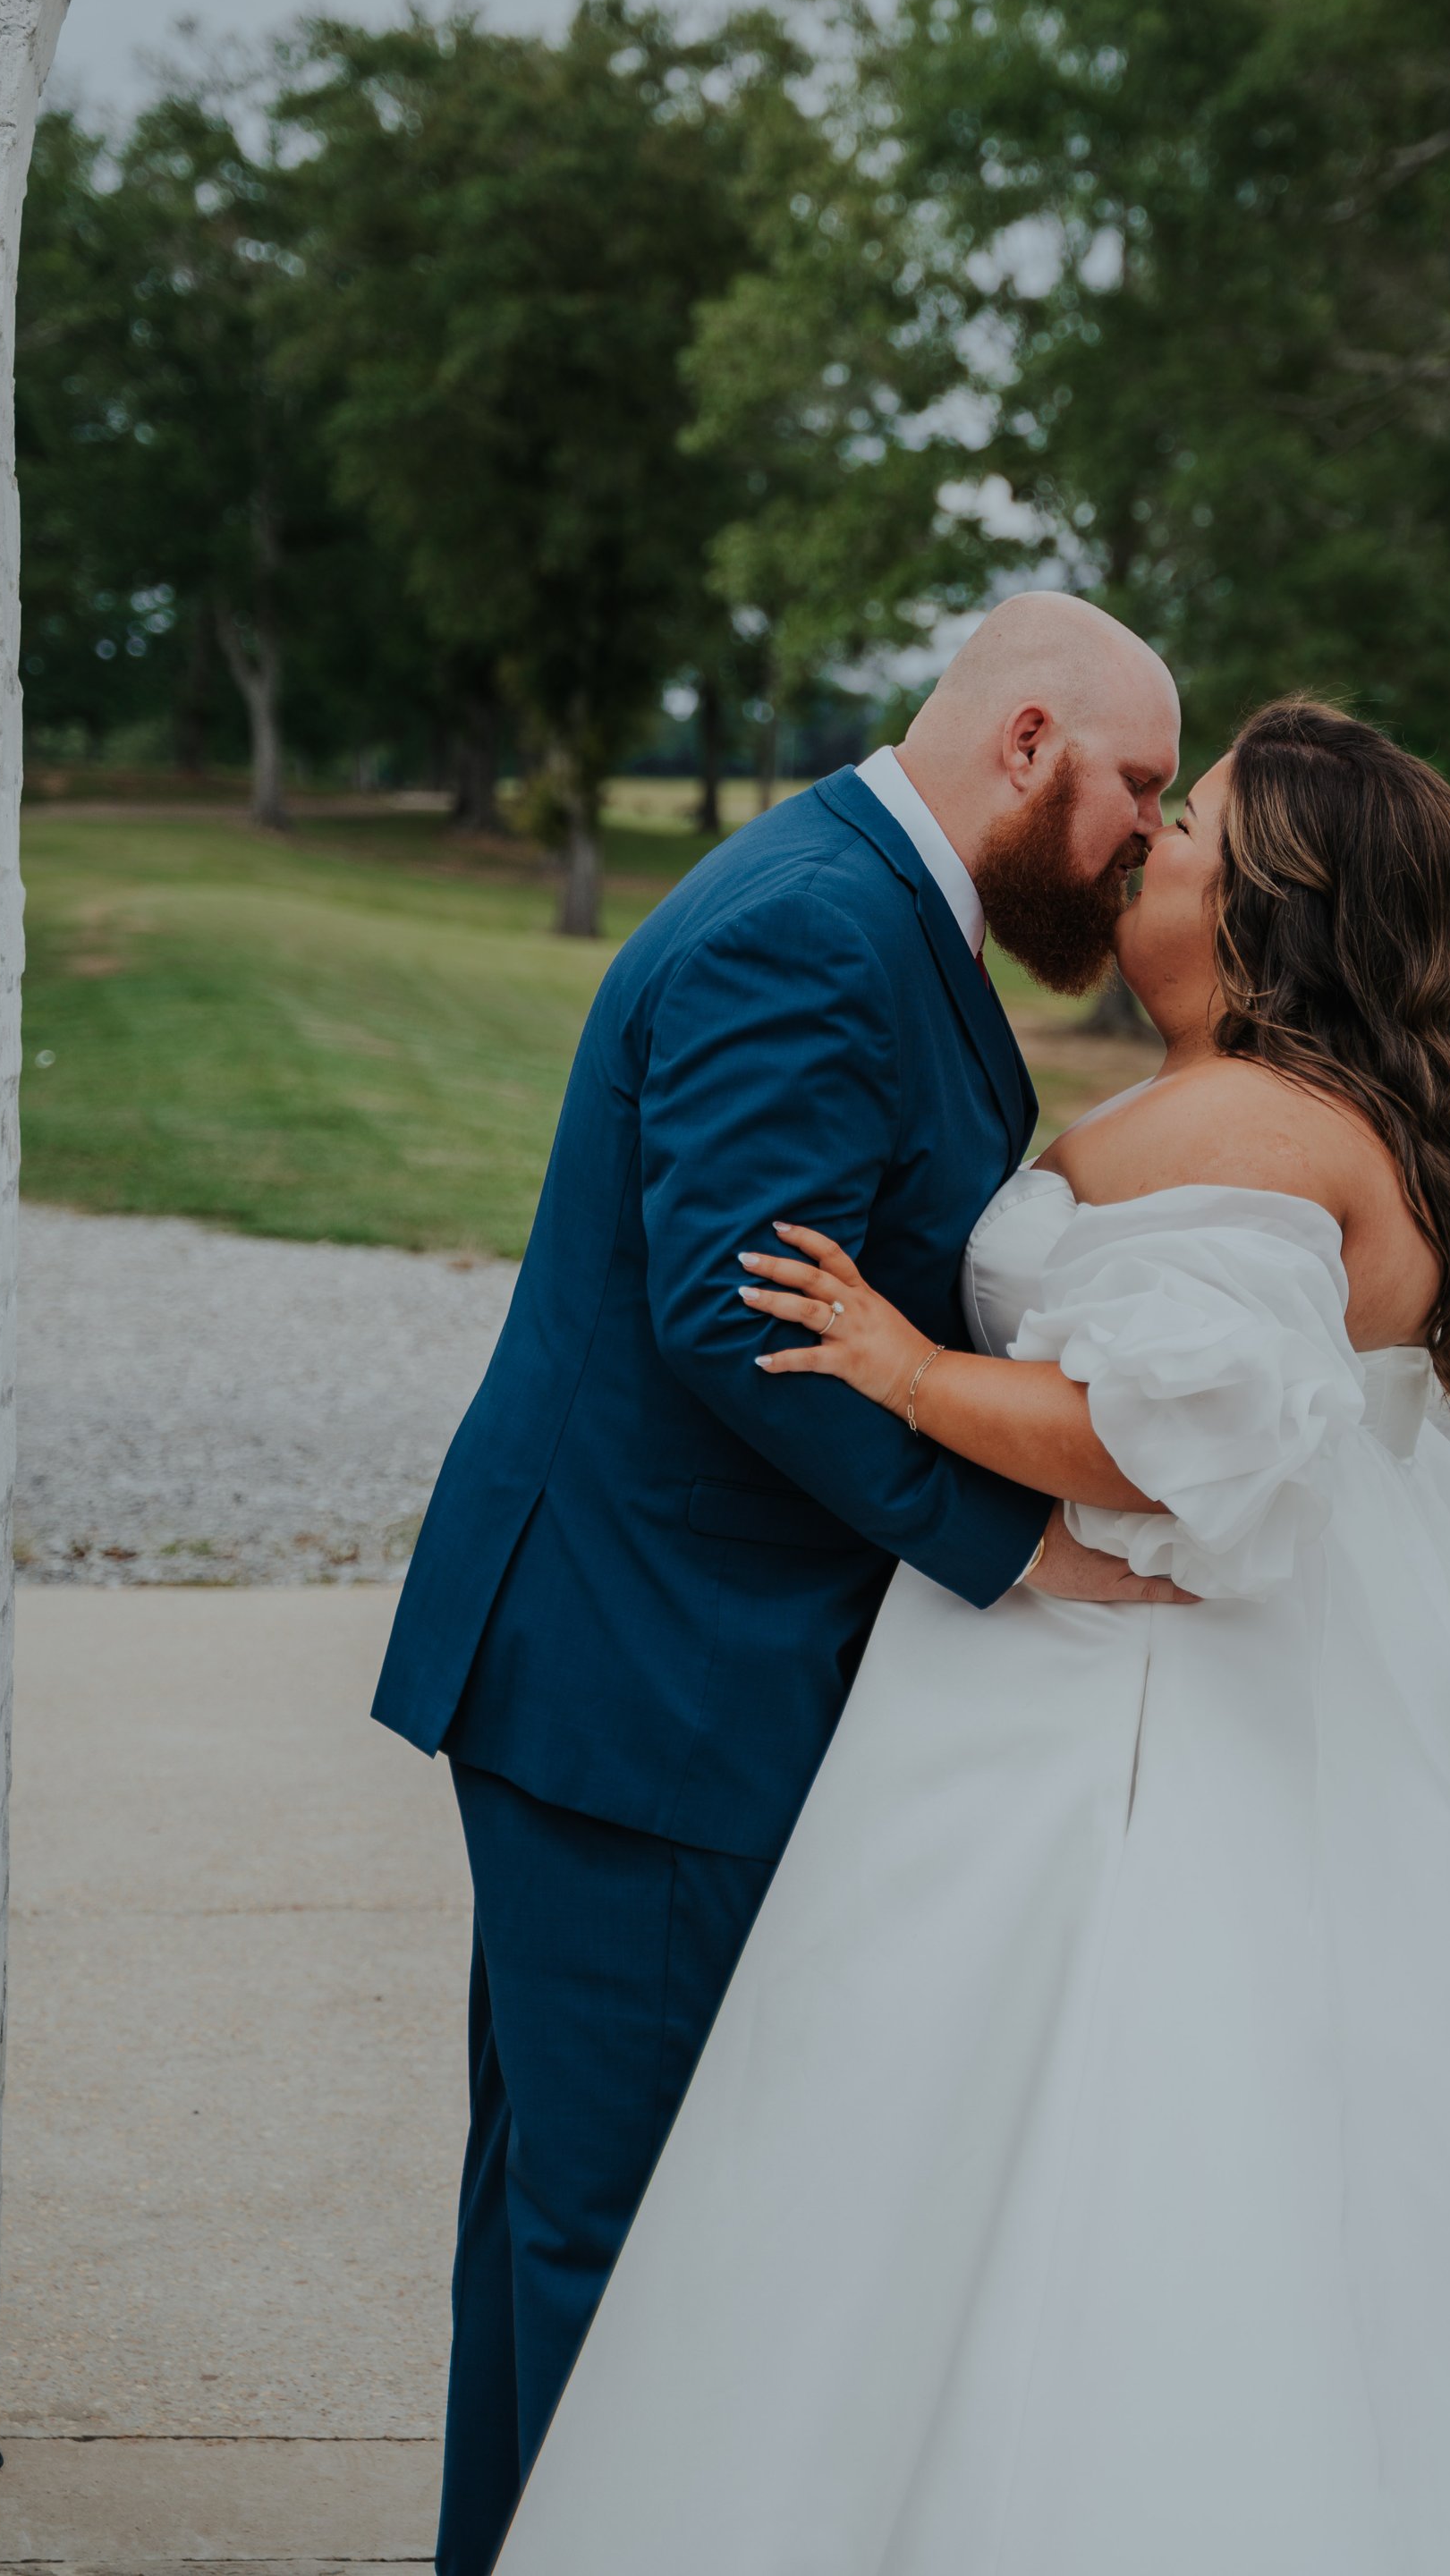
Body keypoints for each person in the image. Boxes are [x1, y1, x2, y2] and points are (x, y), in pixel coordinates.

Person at [493, 696, 1450, 2576]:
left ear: (1268, 915)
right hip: (1338, 1678)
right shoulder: (1311, 1110)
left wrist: (905, 1368)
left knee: (1105, 2154)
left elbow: (1169, 1440)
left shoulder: (1231, 1123)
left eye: (1192, 830)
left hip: (1143, 1701)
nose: (1148, 847)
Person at [371, 592, 1189, 2576]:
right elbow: (746, 1325)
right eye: (1137, 791)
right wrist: (1013, 1547)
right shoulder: (809, 930)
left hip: (655, 1668)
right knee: (621, 2245)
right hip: (647, 1685)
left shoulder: (873, 908)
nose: (1148, 844)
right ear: (1023, 743)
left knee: (566, 2221)